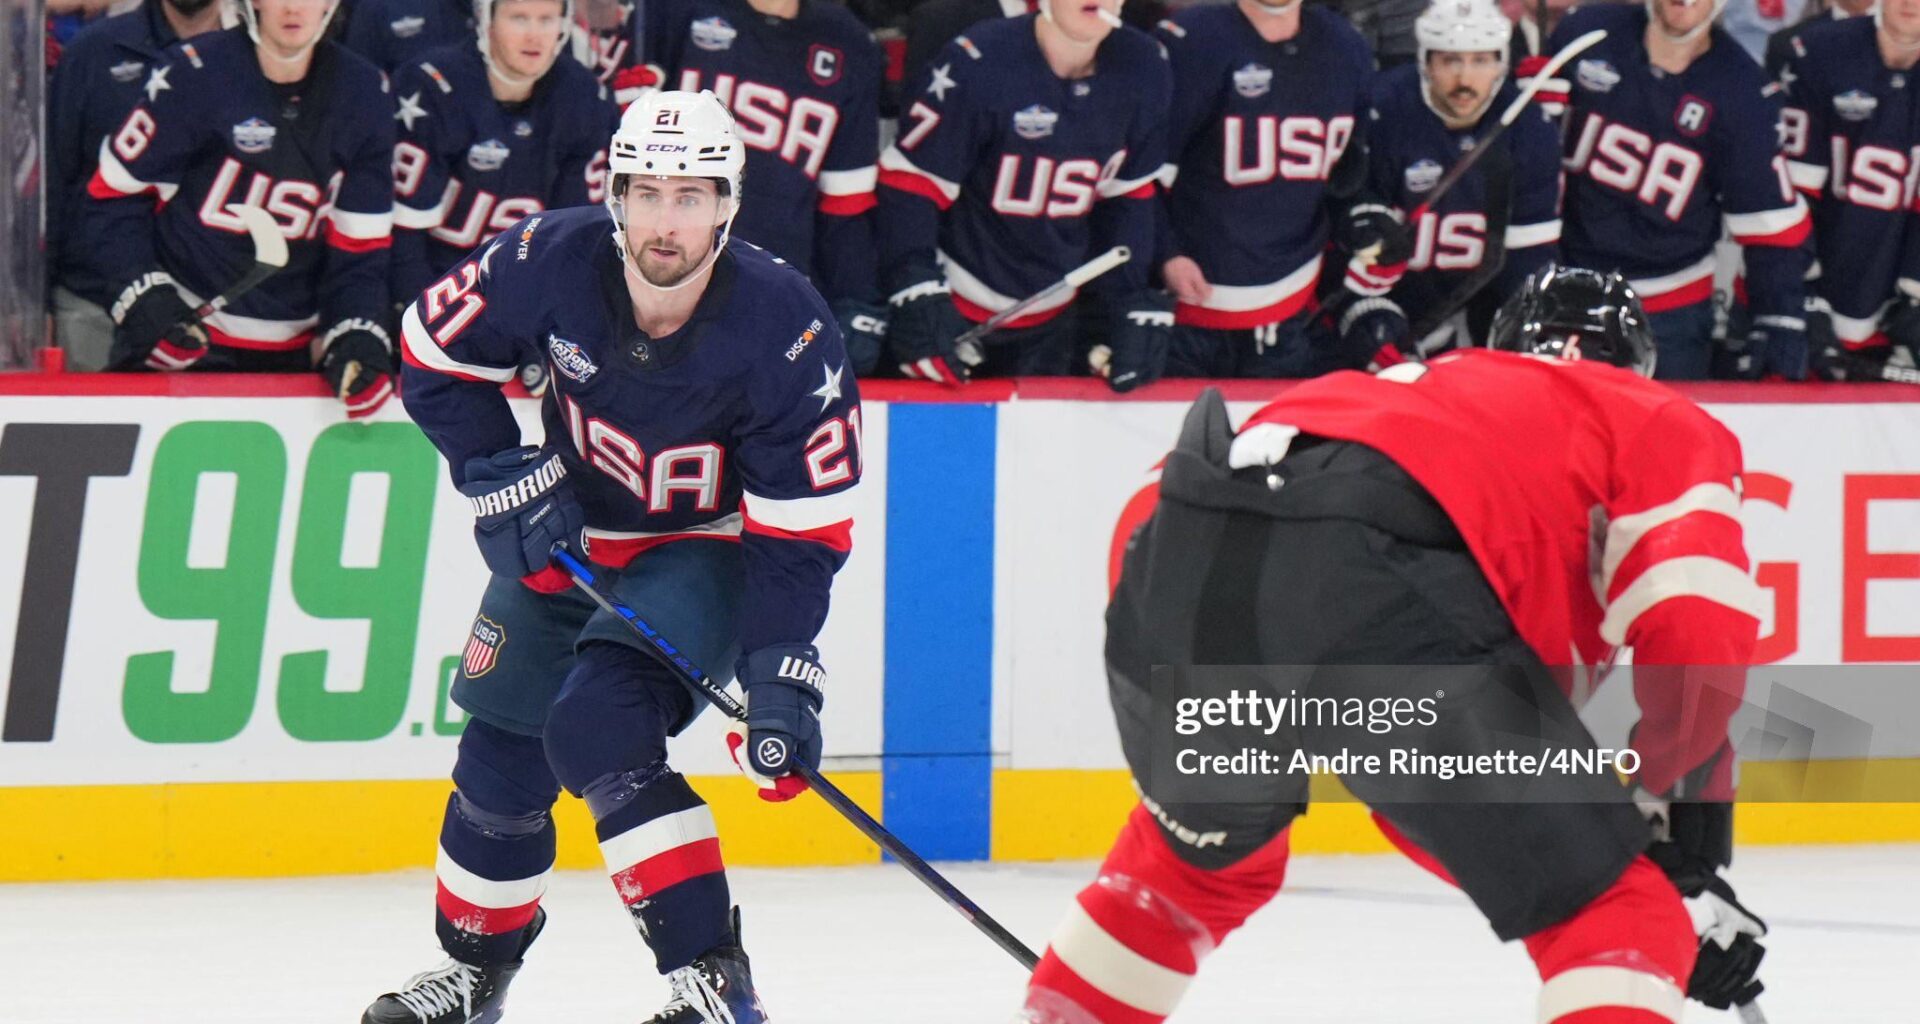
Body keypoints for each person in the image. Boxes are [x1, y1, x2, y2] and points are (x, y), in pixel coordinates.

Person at [1017, 266, 1770, 1024]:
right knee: (1613, 913)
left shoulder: (1393, 388)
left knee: (1195, 867)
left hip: (1181, 576)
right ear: (1639, 364)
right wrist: (1662, 824)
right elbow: (1695, 622)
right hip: (1372, 591)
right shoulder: (1650, 414)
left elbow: (1159, 514)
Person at [364, 89, 861, 1024]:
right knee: (498, 756)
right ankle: (474, 976)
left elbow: (803, 528)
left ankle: (713, 982)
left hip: (704, 550)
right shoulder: (546, 259)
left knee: (596, 723)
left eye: (690, 195)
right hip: (571, 544)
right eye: (646, 192)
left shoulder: (789, 330)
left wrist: (782, 672)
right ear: (614, 195)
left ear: (728, 204)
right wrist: (498, 472)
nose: (664, 219)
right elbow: (430, 350)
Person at [77, 0, 397, 417]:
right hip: (182, 343)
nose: (293, 8)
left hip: (298, 367)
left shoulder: (365, 93)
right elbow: (110, 198)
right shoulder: (194, 72)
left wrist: (356, 331)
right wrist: (144, 300)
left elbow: (360, 250)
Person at [876, 0, 1171, 387]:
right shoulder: (980, 59)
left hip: (1053, 320)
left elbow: (1127, 197)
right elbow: (911, 185)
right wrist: (914, 286)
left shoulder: (1144, 66)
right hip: (952, 304)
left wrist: (1128, 299)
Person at [1553, 0, 1812, 380]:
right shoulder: (1587, 33)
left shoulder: (1745, 92)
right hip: (1564, 293)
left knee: (1661, 437)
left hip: (1668, 314)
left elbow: (1770, 223)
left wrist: (1779, 317)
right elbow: (1524, 160)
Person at [648, 0, 888, 373]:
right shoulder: (677, 11)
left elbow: (845, 203)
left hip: (772, 303)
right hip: (663, 290)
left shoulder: (850, 42)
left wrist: (856, 300)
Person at [1152, 0, 1381, 379]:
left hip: (1289, 311)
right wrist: (1166, 252)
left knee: (1272, 437)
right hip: (1184, 311)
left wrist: (1367, 221)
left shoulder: (1345, 46)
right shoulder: (1191, 39)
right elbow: (1137, 174)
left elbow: (1347, 177)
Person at [1346, 0, 1561, 364]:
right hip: (1394, 299)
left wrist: (1522, 333)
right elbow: (1355, 226)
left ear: (1502, 63)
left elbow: (1529, 262)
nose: (1465, 79)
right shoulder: (1383, 110)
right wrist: (1370, 315)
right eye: (1450, 61)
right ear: (1426, 62)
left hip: (1478, 302)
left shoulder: (1531, 129)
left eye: (1481, 60)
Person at [389, 0, 618, 321]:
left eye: (546, 19)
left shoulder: (582, 95)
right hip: (433, 291)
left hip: (523, 301)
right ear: (487, 21)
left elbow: (571, 245)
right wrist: (425, 320)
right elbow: (404, 236)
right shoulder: (433, 85)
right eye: (519, 18)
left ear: (564, 25)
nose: (534, 36)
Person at [46, 0, 225, 370]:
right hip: (95, 306)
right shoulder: (94, 51)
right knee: (88, 430)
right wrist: (38, 306)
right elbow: (52, 182)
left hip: (214, 316)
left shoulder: (253, 59)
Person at [1772, 0, 1920, 377]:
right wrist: (1802, 292)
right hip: (1813, 295)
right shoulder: (1820, 51)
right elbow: (1789, 193)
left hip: (1898, 312)